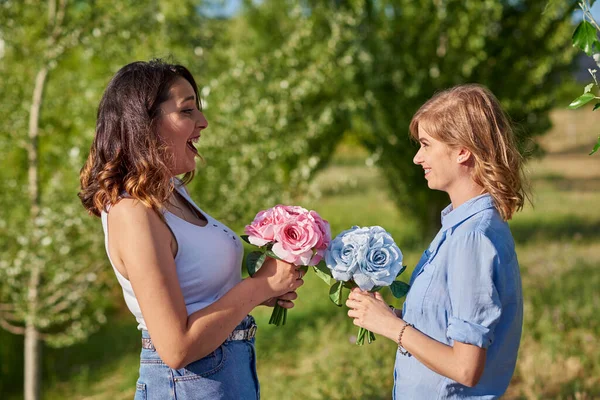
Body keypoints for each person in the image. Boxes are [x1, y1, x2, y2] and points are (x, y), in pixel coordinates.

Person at [79, 59, 304, 400]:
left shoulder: (170, 191)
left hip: (224, 374)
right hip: (187, 384)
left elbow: (198, 296)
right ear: (143, 123)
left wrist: (260, 294)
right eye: (187, 111)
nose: (203, 122)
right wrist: (259, 287)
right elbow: (176, 348)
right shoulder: (133, 213)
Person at [346, 84, 528, 399]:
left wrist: (392, 329)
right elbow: (451, 323)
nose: (418, 158)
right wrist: (389, 316)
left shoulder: (472, 237)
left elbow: (465, 369)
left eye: (427, 145)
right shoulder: (460, 226)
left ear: (462, 150)